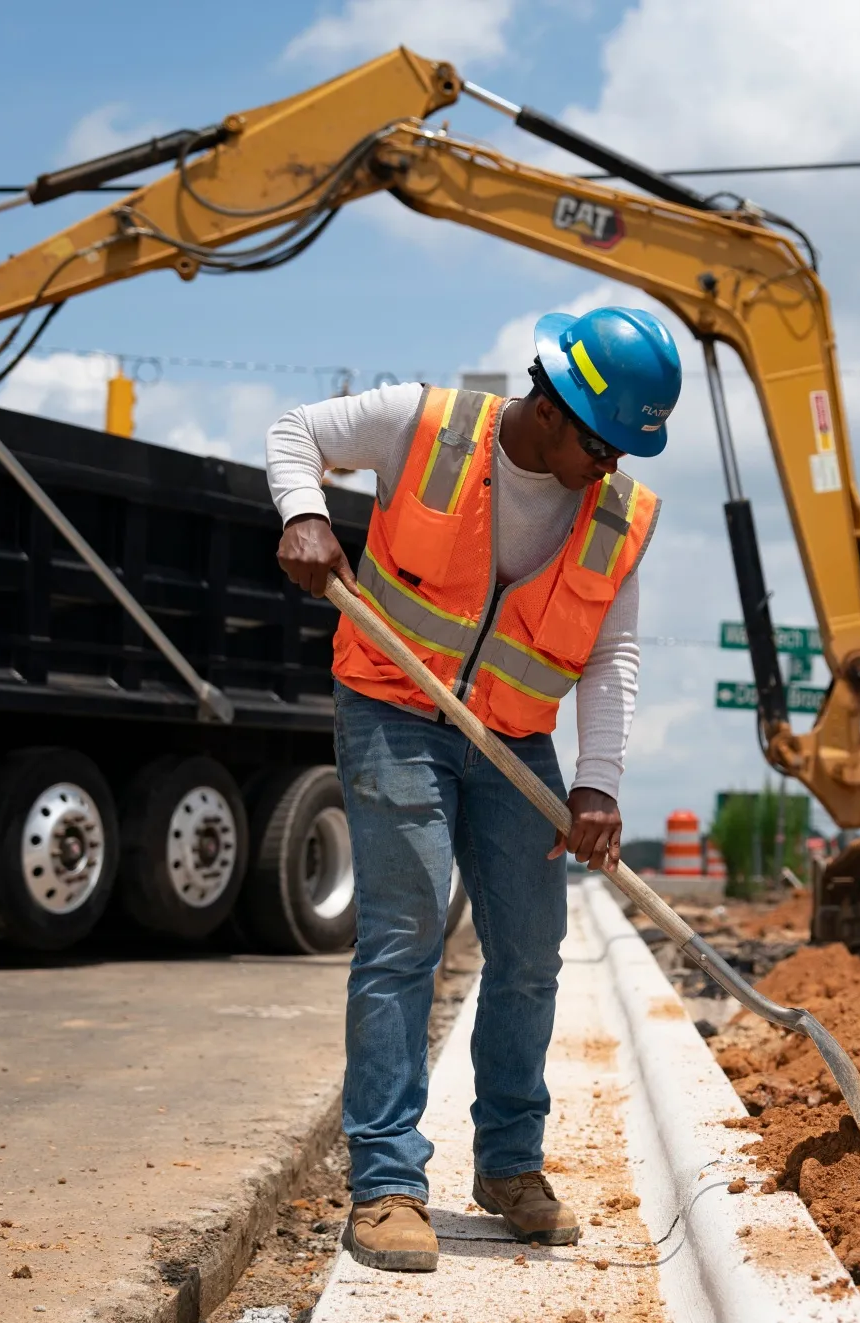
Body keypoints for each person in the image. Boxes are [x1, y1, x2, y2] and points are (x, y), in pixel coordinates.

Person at [266, 307, 680, 1272]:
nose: (610, 468)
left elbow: (610, 655)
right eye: (601, 443)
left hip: (512, 737)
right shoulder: (425, 421)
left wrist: (598, 787)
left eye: (625, 451)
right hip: (393, 705)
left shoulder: (616, 514)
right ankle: (385, 1183)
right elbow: (294, 433)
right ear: (550, 403)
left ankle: (508, 1163)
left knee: (534, 950)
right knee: (407, 937)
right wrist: (304, 511)